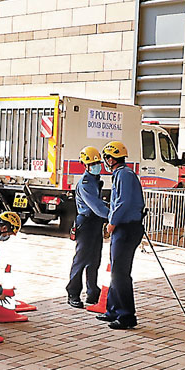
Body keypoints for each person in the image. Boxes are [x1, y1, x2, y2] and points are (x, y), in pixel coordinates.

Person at [99, 140, 145, 330]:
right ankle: (113, 310)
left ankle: (126, 316)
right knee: (116, 271)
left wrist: (111, 224)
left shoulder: (123, 175)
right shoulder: (122, 173)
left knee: (120, 274)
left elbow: (123, 202)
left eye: (106, 158)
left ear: (111, 159)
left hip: (126, 229)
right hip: (126, 227)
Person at [66, 146, 110, 308]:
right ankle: (73, 293)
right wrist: (114, 216)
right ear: (85, 166)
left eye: (97, 163)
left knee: (94, 260)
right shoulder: (85, 183)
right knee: (81, 259)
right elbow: (97, 207)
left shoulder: (95, 181)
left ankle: (92, 293)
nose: (96, 166)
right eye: (92, 164)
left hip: (95, 223)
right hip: (86, 223)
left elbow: (100, 205)